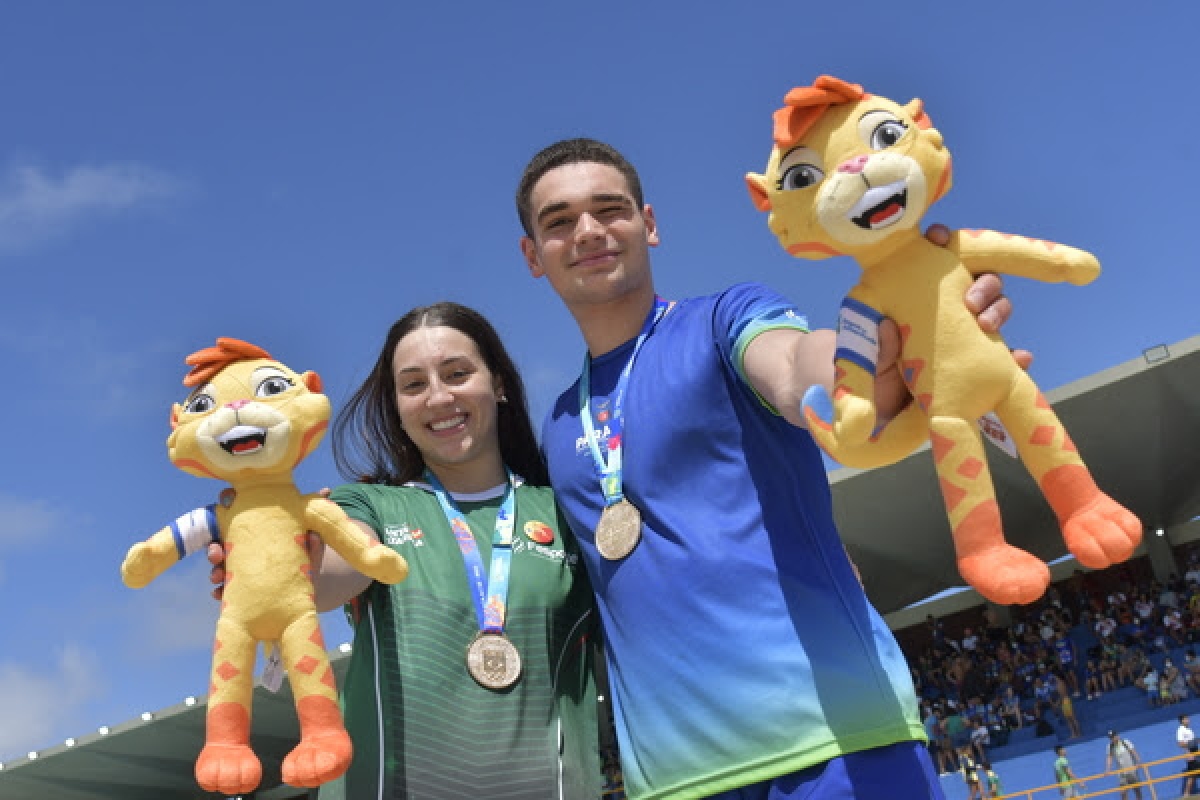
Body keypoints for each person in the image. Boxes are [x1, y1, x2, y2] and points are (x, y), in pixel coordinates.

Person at [516, 136, 1024, 799]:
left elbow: (794, 365)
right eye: (558, 221)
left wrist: (873, 360)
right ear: (533, 255)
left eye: (609, 209)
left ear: (649, 223)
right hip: (676, 781)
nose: (588, 231)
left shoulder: (724, 320)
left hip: (840, 747)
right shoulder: (558, 425)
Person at [212, 303, 602, 798]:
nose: (438, 397)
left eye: (457, 374)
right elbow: (332, 573)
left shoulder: (568, 513)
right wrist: (279, 561)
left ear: (498, 384)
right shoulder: (369, 504)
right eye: (414, 384)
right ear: (396, 405)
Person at [1105, 730, 1144, 800]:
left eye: (1113, 737)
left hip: (1131, 770)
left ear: (1117, 736)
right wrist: (1108, 769)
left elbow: (1134, 752)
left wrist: (1139, 762)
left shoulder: (1125, 742)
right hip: (1122, 773)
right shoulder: (1110, 747)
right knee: (1123, 792)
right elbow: (1109, 758)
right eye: (1111, 738)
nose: (1112, 739)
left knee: (1137, 790)